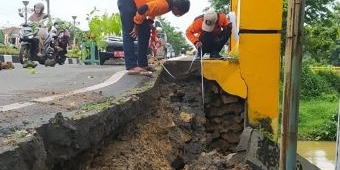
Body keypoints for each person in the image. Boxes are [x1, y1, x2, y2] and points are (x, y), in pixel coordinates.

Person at [117, 0, 190, 75]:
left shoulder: (169, 5)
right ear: (176, 7)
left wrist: (150, 22)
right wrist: (136, 27)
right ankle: (131, 66)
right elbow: (143, 9)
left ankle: (143, 64)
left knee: (145, 31)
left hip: (139, 7)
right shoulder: (165, 5)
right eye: (180, 13)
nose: (180, 15)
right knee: (130, 33)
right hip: (128, 3)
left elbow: (152, 10)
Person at [23, 2, 48, 68]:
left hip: (42, 30)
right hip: (33, 30)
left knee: (38, 36)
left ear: (41, 9)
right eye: (36, 8)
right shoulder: (33, 15)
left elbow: (46, 21)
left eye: (38, 8)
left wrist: (42, 23)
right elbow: (28, 21)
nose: (36, 9)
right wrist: (24, 23)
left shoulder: (44, 15)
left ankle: (40, 51)